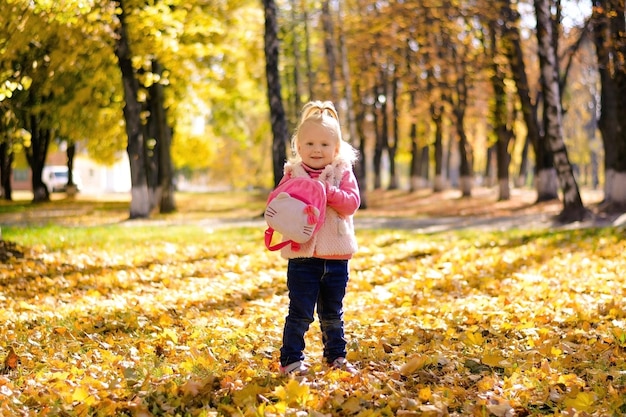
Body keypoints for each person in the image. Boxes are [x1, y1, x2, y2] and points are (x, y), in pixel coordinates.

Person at [276, 100, 360, 376]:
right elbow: (279, 206)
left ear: (335, 149)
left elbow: (351, 204)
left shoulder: (341, 173)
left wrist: (327, 192)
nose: (316, 150)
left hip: (336, 258)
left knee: (332, 313)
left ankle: (335, 355)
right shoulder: (292, 174)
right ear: (299, 147)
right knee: (300, 312)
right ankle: (291, 359)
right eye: (309, 144)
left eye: (324, 145)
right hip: (302, 257)